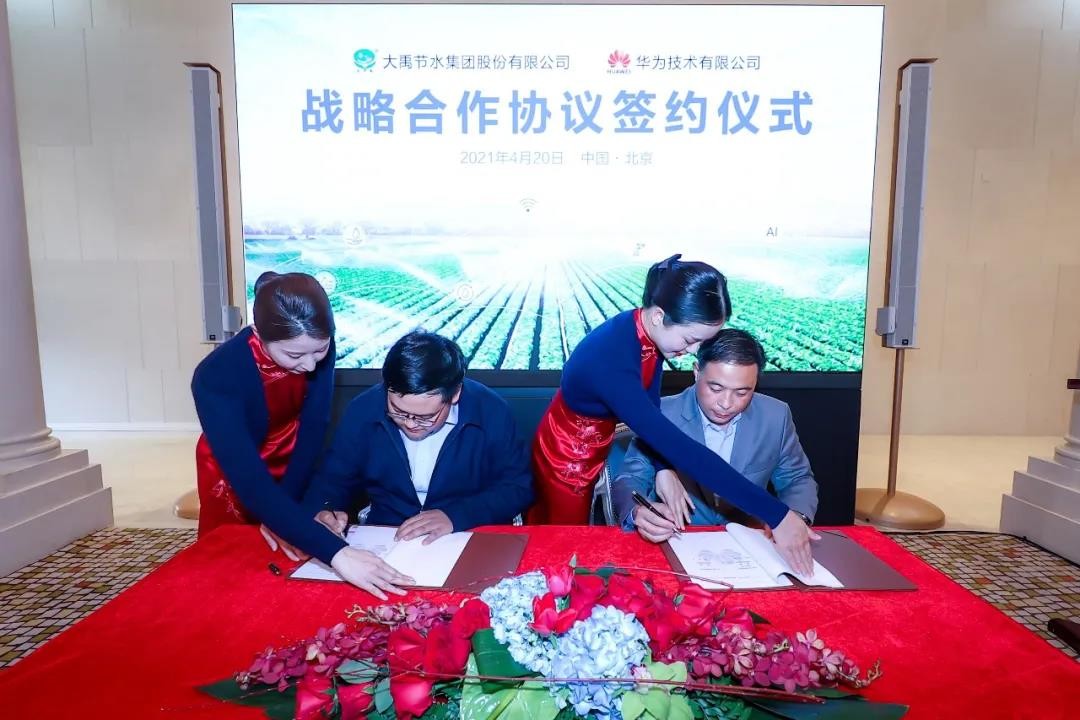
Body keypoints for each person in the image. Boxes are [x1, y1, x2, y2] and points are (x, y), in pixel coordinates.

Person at [527, 254, 817, 574]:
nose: (693, 351)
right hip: (568, 452)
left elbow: (650, 403)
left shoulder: (644, 331)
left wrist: (663, 468)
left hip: (595, 437)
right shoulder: (612, 363)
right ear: (659, 316)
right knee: (565, 547)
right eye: (691, 339)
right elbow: (686, 453)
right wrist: (777, 515)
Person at [192, 271, 410, 599]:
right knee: (237, 567)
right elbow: (251, 484)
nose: (309, 365)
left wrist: (290, 512)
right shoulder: (215, 375)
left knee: (290, 558)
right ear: (258, 333)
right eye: (294, 355)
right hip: (237, 466)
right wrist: (338, 554)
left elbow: (314, 426)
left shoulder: (315, 343)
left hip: (291, 450)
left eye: (319, 351)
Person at [303, 330, 533, 547]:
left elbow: (518, 487)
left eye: (426, 417)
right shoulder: (363, 409)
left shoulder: (491, 411)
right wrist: (324, 510)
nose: (411, 424)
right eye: (398, 412)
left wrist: (457, 515)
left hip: (467, 532)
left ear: (454, 394)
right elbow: (333, 479)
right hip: (388, 534)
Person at [612, 328, 819, 543]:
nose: (726, 403)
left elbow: (797, 479)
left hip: (752, 543)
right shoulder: (661, 414)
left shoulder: (775, 416)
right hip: (679, 540)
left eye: (742, 392)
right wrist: (639, 512)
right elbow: (630, 479)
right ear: (696, 372)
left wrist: (795, 519)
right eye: (716, 388)